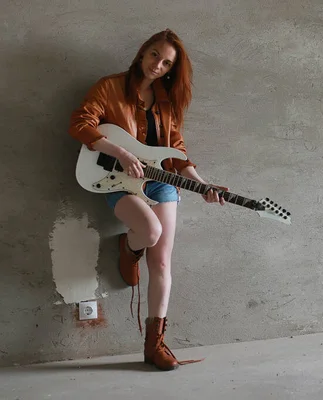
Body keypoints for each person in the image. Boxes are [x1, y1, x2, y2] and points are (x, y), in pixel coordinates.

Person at [68, 29, 227, 371]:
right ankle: (129, 247)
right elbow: (80, 123)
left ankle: (155, 344)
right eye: (155, 55)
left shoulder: (167, 100)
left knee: (162, 263)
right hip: (117, 181)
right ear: (143, 53)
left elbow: (178, 152)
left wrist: (203, 184)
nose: (158, 65)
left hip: (161, 184)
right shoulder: (109, 86)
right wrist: (121, 153)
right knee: (150, 232)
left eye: (167, 62)